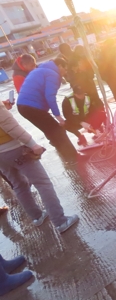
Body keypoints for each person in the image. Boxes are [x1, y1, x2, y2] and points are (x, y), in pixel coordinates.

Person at [0, 99, 79, 234]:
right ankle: (60, 221)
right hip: (14, 149)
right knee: (42, 183)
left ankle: (37, 217)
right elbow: (11, 126)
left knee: (18, 184)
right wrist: (32, 144)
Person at [17, 58, 78, 160]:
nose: (65, 72)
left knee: (50, 131)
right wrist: (58, 116)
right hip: (32, 107)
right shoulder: (52, 74)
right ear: (59, 66)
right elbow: (50, 96)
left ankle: (66, 156)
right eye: (65, 69)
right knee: (57, 130)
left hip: (22, 107)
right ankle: (73, 157)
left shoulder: (39, 70)